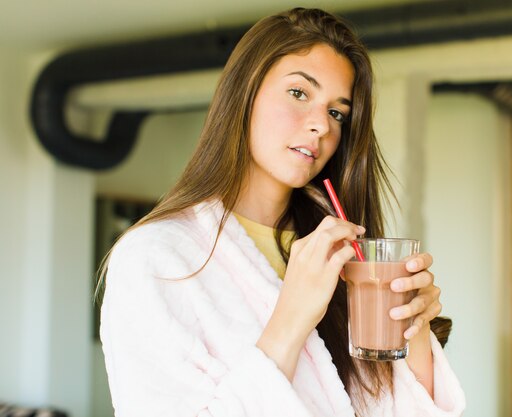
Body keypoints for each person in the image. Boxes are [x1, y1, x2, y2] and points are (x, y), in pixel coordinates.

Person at [99, 7, 465, 417]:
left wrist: (413, 329)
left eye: (336, 112)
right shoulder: (156, 257)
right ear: (245, 92)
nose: (322, 126)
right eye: (298, 93)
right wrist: (292, 316)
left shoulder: (341, 254)